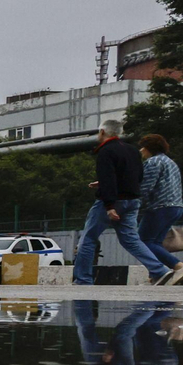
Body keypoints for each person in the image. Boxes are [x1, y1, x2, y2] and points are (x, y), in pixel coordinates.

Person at [72, 119, 168, 285]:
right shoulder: (132, 150)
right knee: (131, 240)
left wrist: (109, 205)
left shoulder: (105, 151)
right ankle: (160, 270)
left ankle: (83, 279)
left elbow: (109, 177)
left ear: (102, 132)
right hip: (132, 201)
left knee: (88, 239)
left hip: (112, 202)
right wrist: (104, 183)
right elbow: (136, 177)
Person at [137, 134, 183, 286]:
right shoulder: (171, 162)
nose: (141, 150)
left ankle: (178, 266)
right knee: (155, 242)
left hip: (159, 207)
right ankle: (157, 276)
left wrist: (133, 205)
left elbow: (145, 187)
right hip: (176, 207)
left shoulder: (153, 162)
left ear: (149, 148)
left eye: (142, 147)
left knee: (143, 241)